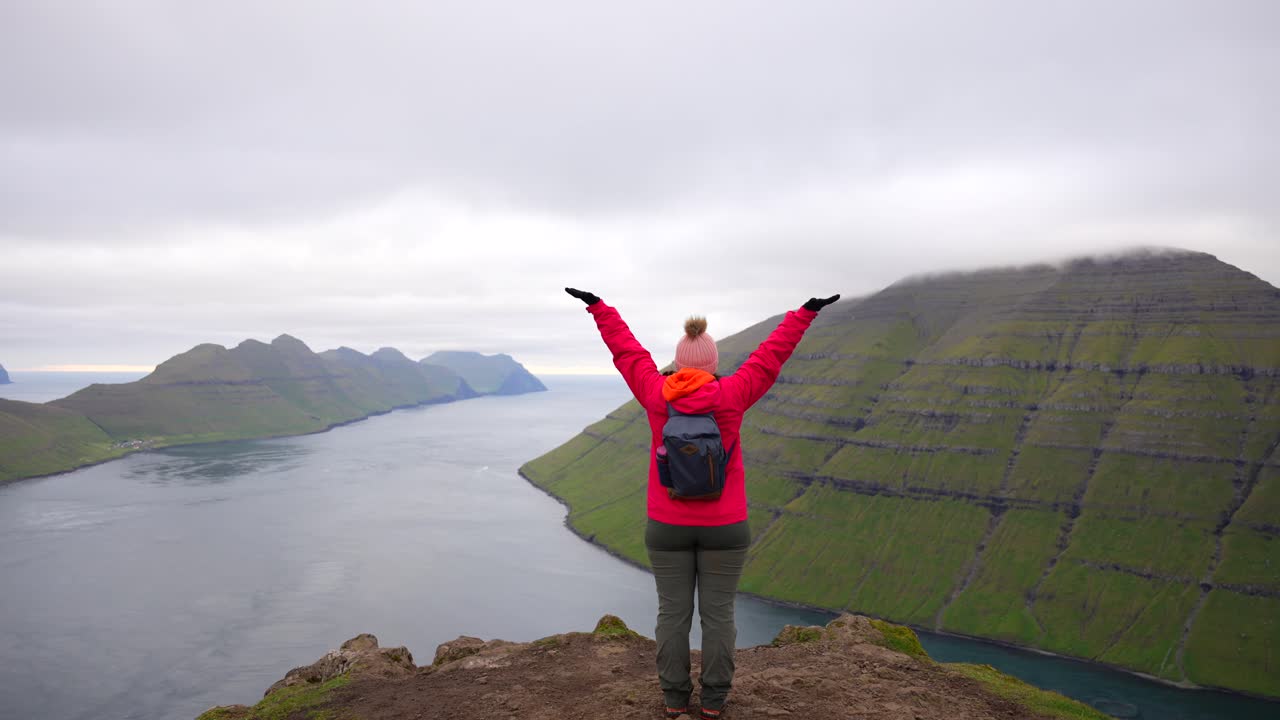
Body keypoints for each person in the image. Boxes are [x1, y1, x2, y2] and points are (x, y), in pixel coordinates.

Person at [565, 287, 839, 719]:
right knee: (718, 616)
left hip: (667, 523)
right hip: (725, 525)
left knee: (672, 614)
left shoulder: (656, 394)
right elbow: (770, 356)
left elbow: (627, 352)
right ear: (712, 364)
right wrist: (804, 314)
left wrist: (599, 308)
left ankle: (675, 700)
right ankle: (713, 703)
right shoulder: (733, 394)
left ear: (677, 363)